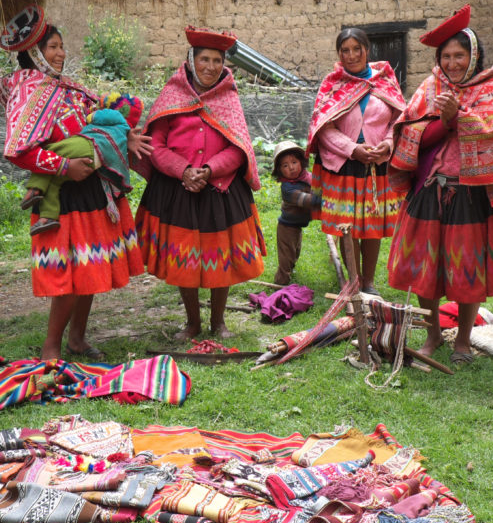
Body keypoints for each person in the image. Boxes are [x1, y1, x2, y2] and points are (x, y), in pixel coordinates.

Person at [0, 5, 148, 360]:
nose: (60, 53)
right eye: (52, 47)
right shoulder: (27, 92)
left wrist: (126, 138)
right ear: (34, 52)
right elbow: (19, 152)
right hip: (61, 195)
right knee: (69, 278)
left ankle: (77, 339)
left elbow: (101, 125)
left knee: (89, 271)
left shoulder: (71, 89)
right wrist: (64, 166)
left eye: (62, 46)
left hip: (92, 190)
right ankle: (50, 347)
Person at [387, 5, 493, 364]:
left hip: (471, 193)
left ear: (474, 55)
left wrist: (458, 116)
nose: (452, 63)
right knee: (425, 268)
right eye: (446, 56)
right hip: (432, 188)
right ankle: (433, 335)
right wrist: (446, 122)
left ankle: (463, 339)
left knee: (468, 269)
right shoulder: (431, 86)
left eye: (459, 55)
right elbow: (414, 133)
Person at [135, 26, 265, 340]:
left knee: (221, 258)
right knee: (185, 259)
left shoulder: (228, 98)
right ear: (191, 61)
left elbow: (238, 148)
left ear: (224, 64)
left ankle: (218, 322)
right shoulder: (173, 95)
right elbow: (156, 145)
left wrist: (208, 170)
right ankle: (192, 322)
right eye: (204, 59)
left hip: (221, 188)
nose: (210, 66)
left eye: (217, 60)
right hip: (176, 189)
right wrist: (184, 171)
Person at [307, 28, 406, 295]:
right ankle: (353, 280)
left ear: (367, 50)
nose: (351, 56)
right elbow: (323, 128)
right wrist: (352, 149)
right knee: (347, 225)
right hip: (345, 164)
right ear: (339, 54)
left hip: (378, 162)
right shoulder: (332, 84)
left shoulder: (385, 80)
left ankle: (369, 282)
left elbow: (399, 119)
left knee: (372, 225)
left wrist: (387, 144)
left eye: (356, 49)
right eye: (345, 50)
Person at [20, 93, 143, 236]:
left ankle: (35, 188)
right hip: (96, 162)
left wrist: (91, 114)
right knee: (55, 180)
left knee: (50, 151)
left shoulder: (115, 116)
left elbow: (95, 117)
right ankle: (48, 217)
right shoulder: (121, 132)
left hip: (90, 146)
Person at [270, 141, 321, 285]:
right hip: (287, 227)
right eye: (285, 165)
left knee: (295, 253)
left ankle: (289, 273)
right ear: (280, 170)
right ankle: (281, 282)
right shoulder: (287, 188)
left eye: (294, 162)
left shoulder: (307, 177)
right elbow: (309, 201)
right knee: (286, 256)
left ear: (301, 162)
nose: (291, 167)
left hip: (297, 225)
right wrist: (327, 196)